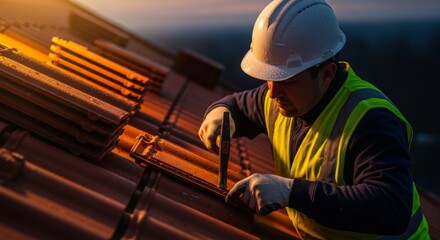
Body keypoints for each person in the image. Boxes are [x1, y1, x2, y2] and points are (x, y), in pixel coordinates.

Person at [198, 0, 430, 239]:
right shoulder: (281, 98)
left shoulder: (371, 119)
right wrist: (221, 112)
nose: (272, 92)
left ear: (326, 74)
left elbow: (390, 208)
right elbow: (238, 105)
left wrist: (291, 193)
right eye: (269, 78)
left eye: (287, 81)